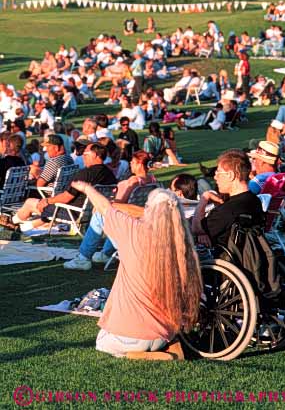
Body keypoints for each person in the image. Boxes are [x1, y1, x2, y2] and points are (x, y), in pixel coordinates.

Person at [67, 182, 202, 358]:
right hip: (165, 333)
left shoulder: (133, 231)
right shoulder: (180, 242)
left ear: (149, 210)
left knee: (102, 342)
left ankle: (143, 355)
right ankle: (168, 345)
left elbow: (104, 207)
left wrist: (86, 189)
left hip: (132, 336)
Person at [64, 150, 157, 269]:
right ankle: (106, 253)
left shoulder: (133, 181)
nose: (130, 164)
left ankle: (83, 258)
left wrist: (103, 204)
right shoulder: (152, 180)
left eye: (133, 162)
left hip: (126, 232)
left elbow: (118, 206)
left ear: (139, 164)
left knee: (100, 215)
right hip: (137, 225)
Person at [12, 143, 117, 231]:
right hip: (91, 212)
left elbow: (67, 197)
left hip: (72, 211)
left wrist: (48, 201)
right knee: (46, 211)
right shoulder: (109, 173)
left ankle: (12, 222)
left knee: (30, 202)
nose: (83, 156)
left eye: (85, 154)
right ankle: (22, 228)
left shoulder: (85, 174)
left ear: (94, 155)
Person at [192, 149, 264, 247]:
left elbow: (196, 228)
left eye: (218, 173)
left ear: (231, 175)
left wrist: (204, 197)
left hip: (222, 259)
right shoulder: (255, 200)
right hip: (248, 258)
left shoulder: (229, 210)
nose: (215, 177)